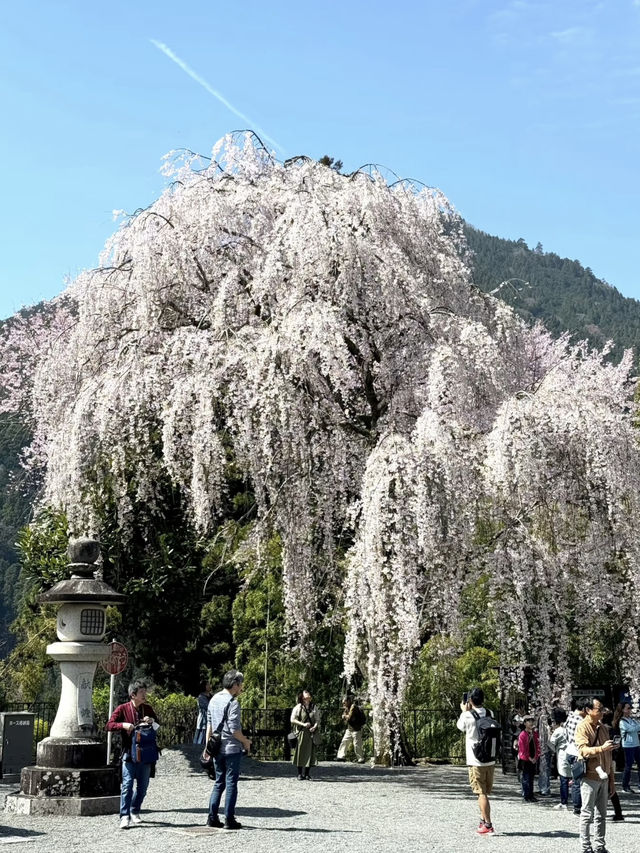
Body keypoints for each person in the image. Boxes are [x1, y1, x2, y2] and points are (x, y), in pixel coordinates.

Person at [106, 679, 159, 829]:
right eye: (141, 692)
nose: (144, 695)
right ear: (133, 695)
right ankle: (124, 816)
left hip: (146, 754)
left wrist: (152, 721)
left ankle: (135, 810)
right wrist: (123, 725)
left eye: (145, 692)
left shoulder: (147, 709)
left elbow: (157, 726)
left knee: (143, 787)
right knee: (127, 785)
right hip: (129, 753)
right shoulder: (122, 709)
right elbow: (109, 725)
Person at [205, 669, 251, 830]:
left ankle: (212, 816)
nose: (241, 687)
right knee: (231, 783)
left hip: (217, 748)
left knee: (219, 782)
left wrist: (207, 747)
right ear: (235, 684)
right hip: (231, 748)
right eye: (241, 684)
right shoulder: (233, 703)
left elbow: (209, 725)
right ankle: (229, 819)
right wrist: (246, 741)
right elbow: (234, 730)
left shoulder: (214, 699)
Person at [575, 697, 617, 853]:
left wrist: (612, 780)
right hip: (590, 777)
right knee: (587, 814)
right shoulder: (582, 727)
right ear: (588, 710)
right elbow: (583, 750)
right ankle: (586, 847)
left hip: (604, 776)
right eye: (599, 709)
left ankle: (600, 846)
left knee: (602, 815)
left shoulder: (603, 728)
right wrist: (601, 748)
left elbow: (609, 756)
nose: (602, 712)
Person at [456, 687, 497, 835]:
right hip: (490, 759)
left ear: (470, 700)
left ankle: (488, 825)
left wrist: (463, 711)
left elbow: (460, 727)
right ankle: (482, 819)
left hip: (475, 760)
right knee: (485, 792)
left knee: (481, 793)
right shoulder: (490, 713)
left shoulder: (467, 716)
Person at [291, 689, 321, 779]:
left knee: (310, 753)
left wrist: (314, 727)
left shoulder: (314, 707)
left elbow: (318, 720)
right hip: (301, 733)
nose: (308, 699)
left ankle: (307, 774)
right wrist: (303, 724)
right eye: (306, 697)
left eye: (309, 697)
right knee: (300, 752)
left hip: (311, 733)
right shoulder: (298, 707)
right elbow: (292, 719)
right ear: (302, 698)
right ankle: (300, 774)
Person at [565, 699, 588, 815]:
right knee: (578, 782)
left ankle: (577, 806)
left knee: (576, 781)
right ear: (584, 709)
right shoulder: (580, 721)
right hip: (577, 753)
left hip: (569, 750)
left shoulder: (570, 717)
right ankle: (578, 807)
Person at [613, 701, 640, 793]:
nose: (630, 710)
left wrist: (637, 726)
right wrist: (637, 726)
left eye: (630, 708)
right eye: (628, 708)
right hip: (628, 745)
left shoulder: (632, 720)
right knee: (628, 766)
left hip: (636, 744)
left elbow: (636, 727)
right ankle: (625, 786)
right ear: (622, 710)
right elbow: (631, 729)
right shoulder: (622, 721)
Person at [549, 708, 571, 810]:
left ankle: (564, 802)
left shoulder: (558, 731)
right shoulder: (568, 728)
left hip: (562, 754)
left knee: (563, 779)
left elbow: (551, 744)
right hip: (571, 753)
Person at [336, 695, 366, 763]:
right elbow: (344, 716)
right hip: (349, 729)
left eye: (344, 702)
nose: (343, 704)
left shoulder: (353, 707)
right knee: (344, 741)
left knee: (357, 744)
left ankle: (361, 759)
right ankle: (340, 756)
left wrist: (345, 716)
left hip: (356, 729)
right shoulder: (347, 707)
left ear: (348, 701)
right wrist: (345, 716)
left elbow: (349, 717)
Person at [518, 715, 540, 802]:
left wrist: (536, 756)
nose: (531, 723)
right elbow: (522, 749)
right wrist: (529, 757)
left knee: (531, 777)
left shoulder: (535, 734)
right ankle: (526, 795)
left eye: (532, 721)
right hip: (525, 759)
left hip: (533, 758)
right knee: (526, 778)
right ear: (524, 723)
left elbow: (538, 746)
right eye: (528, 721)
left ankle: (531, 794)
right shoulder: (522, 734)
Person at [537, 710, 552, 796]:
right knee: (544, 768)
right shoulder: (545, 724)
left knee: (544, 768)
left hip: (544, 748)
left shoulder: (545, 723)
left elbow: (545, 736)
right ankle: (543, 787)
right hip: (544, 747)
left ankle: (544, 788)